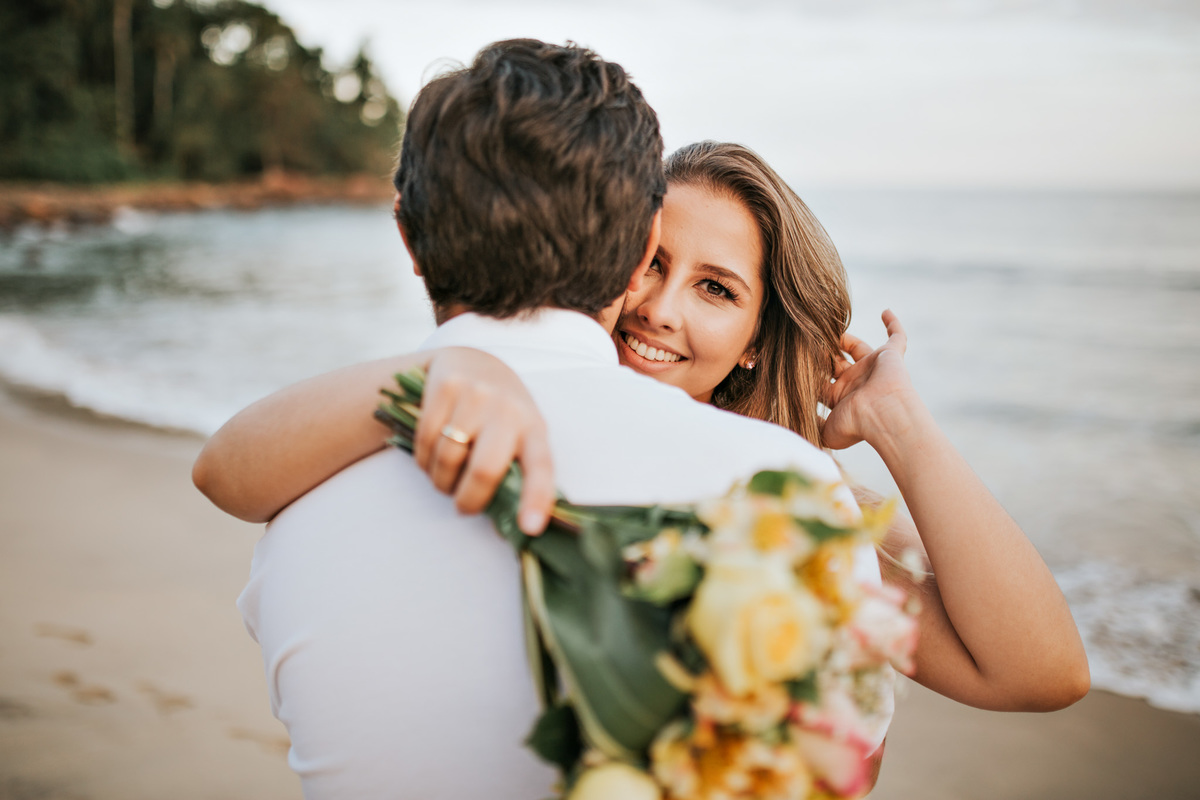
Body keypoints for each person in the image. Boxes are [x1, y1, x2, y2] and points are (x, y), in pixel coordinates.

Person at [197, 39, 894, 799]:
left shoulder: (298, 509)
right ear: (643, 254)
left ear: (408, 237)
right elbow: (840, 776)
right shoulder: (783, 492)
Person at [198, 139, 1091, 722]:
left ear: (755, 340)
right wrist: (447, 369)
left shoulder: (788, 512)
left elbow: (1041, 671)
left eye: (715, 289)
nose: (659, 309)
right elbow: (227, 472)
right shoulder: (492, 405)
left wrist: (901, 427)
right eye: (651, 263)